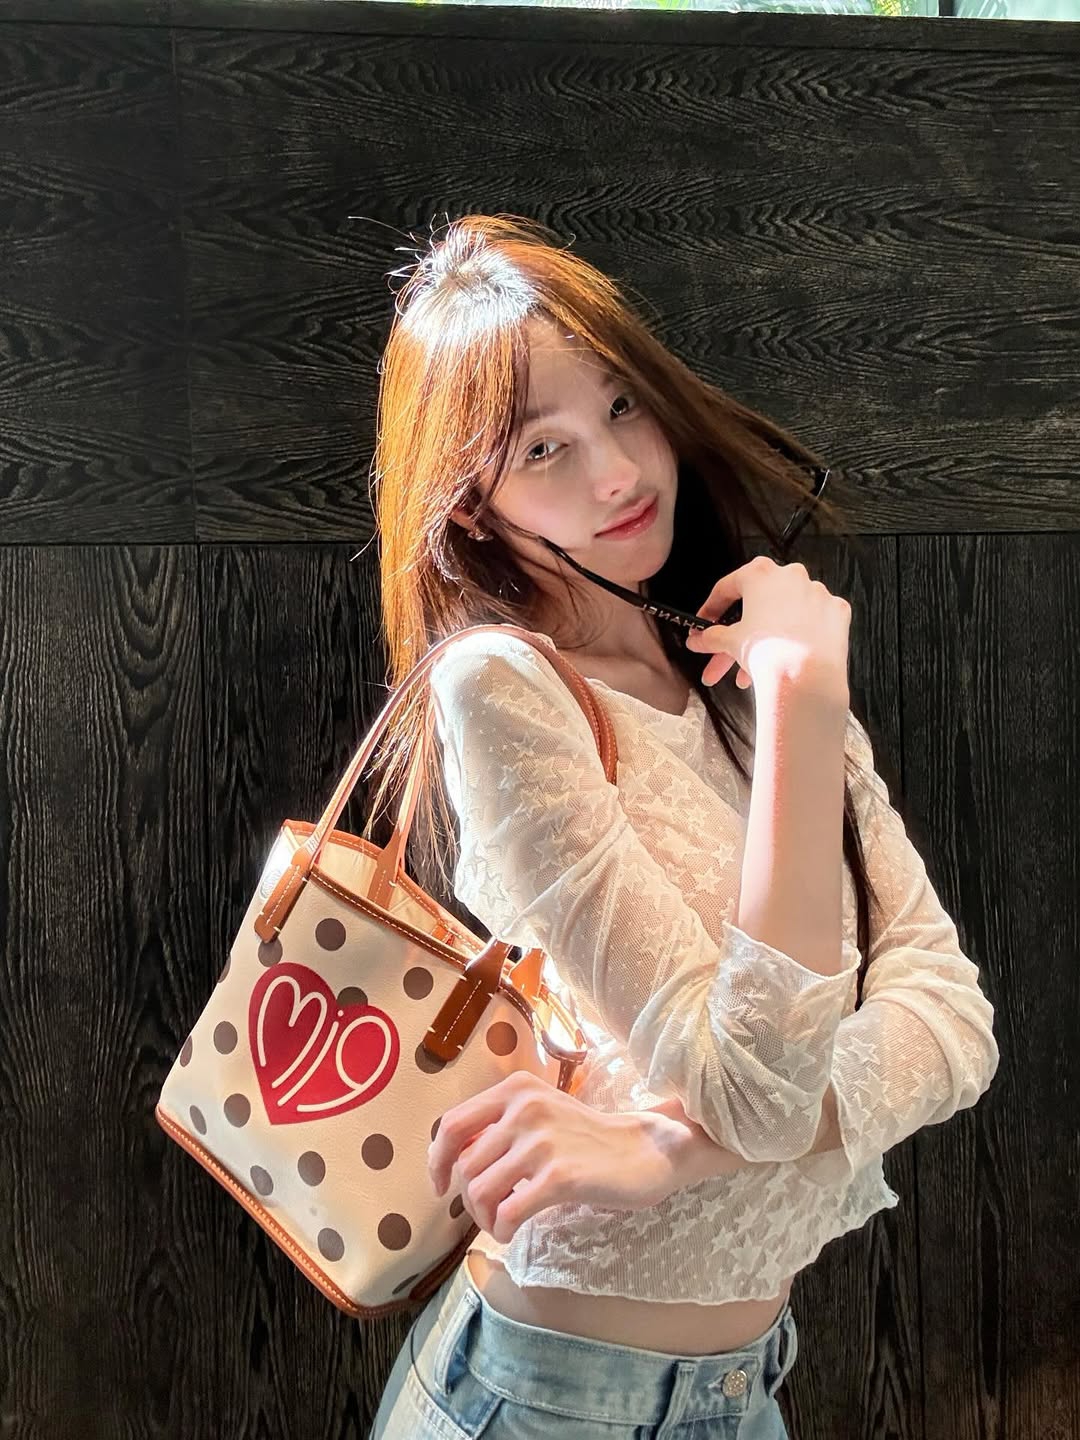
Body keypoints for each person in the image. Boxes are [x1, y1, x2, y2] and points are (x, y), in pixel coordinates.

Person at [365, 213, 999, 1439]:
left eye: (621, 406)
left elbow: (953, 1022)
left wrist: (666, 1150)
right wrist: (808, 701)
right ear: (476, 510)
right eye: (542, 448)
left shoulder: (743, 672)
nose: (617, 472)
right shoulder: (509, 689)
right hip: (547, 1402)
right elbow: (760, 1095)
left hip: (744, 1391)